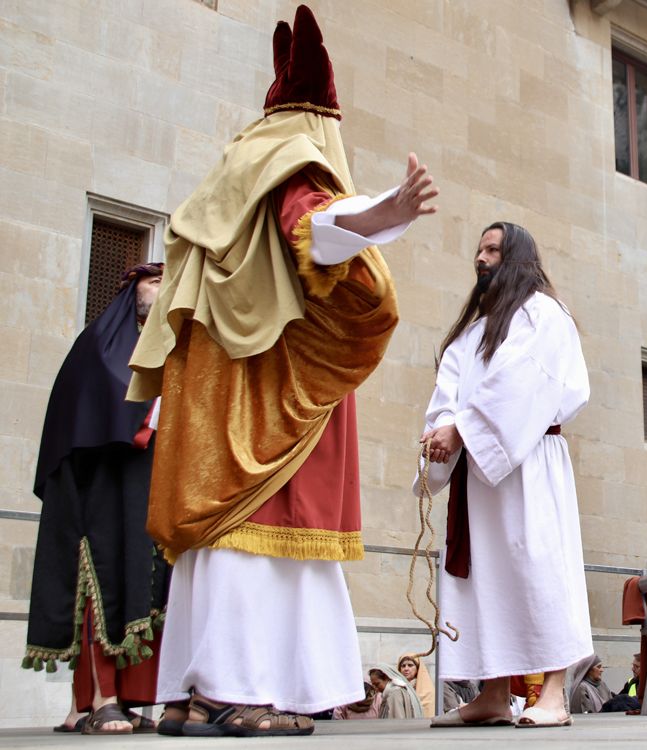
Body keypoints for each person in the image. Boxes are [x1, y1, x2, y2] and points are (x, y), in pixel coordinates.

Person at [126, 6, 439, 737]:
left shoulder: (233, 169)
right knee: (257, 540)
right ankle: (239, 690)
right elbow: (313, 222)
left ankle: (191, 693)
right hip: (266, 398)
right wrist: (382, 213)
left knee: (218, 550)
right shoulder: (293, 160)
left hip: (214, 401)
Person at [417, 222, 590, 729]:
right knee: (486, 580)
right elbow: (447, 393)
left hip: (530, 463)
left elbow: (522, 379)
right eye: (478, 250)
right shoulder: (470, 334)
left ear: (517, 258)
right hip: (480, 473)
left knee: (538, 568)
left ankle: (554, 693)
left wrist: (464, 430)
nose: (481, 257)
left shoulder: (543, 315)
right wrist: (440, 433)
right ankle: (493, 694)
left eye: (492, 249)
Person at [25, 263, 168, 735]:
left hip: (149, 489)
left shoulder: (171, 347)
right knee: (100, 586)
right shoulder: (100, 343)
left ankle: (124, 700)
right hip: (101, 486)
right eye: (154, 281)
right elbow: (105, 399)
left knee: (142, 591)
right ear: (131, 290)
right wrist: (151, 415)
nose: (163, 289)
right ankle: (95, 701)